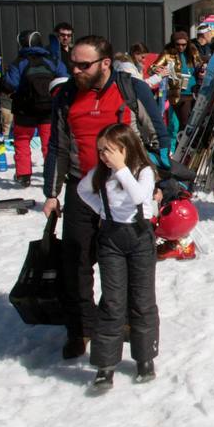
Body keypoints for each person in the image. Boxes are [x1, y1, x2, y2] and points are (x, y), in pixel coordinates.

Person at [43, 35, 169, 360]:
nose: (76, 70)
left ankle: (124, 321)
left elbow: (158, 137)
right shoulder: (67, 95)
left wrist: (160, 182)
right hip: (82, 188)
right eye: (73, 63)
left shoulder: (131, 90)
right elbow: (57, 146)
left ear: (105, 63)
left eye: (84, 65)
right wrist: (51, 193)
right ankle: (81, 327)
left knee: (125, 260)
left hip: (124, 189)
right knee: (77, 262)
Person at [77, 123, 160, 391]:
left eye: (109, 151)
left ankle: (145, 358)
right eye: (100, 151)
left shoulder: (143, 172)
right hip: (111, 239)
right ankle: (105, 365)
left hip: (139, 237)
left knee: (142, 299)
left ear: (125, 149)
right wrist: (102, 210)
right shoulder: (100, 174)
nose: (104, 156)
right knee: (112, 300)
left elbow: (139, 196)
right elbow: (81, 190)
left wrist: (122, 169)